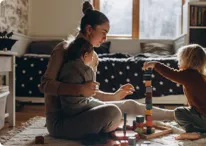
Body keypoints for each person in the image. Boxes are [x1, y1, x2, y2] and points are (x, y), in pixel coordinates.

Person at [40, 1, 174, 140]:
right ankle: (107, 128)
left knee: (129, 105)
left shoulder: (94, 57)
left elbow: (91, 93)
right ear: (89, 29)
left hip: (84, 110)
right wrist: (78, 89)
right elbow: (45, 85)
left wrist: (115, 95)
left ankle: (175, 115)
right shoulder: (63, 49)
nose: (105, 39)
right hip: (61, 120)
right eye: (103, 32)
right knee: (112, 113)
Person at [142, 44, 206, 140]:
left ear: (188, 61)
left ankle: (195, 132)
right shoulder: (200, 76)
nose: (178, 63)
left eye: (180, 60)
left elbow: (171, 73)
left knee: (179, 112)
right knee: (188, 110)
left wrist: (155, 64)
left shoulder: (189, 74)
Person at [58, 38, 104, 117]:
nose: (92, 59)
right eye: (92, 57)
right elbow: (92, 91)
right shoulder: (86, 69)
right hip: (80, 107)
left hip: (65, 108)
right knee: (109, 108)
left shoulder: (65, 66)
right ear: (85, 55)